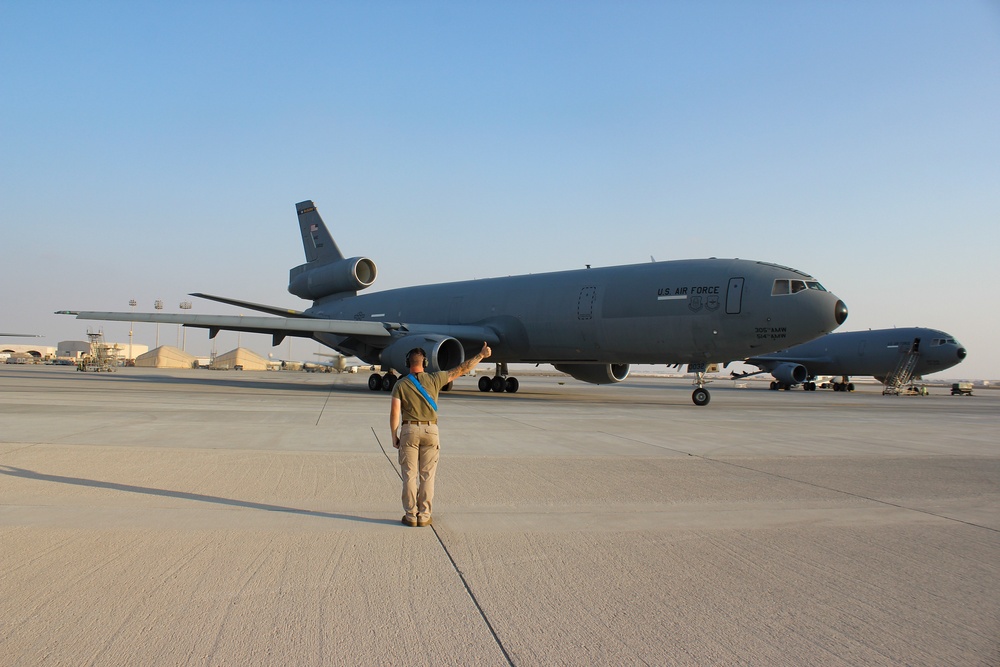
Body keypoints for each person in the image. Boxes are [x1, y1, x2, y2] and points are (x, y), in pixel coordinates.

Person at [389, 341, 491, 527]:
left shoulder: (400, 384)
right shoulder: (435, 379)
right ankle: (425, 515)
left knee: (409, 475)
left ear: (408, 363)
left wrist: (394, 435)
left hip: (409, 430)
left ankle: (411, 515)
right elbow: (462, 369)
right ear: (425, 363)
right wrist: (481, 355)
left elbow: (395, 413)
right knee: (427, 475)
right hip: (431, 430)